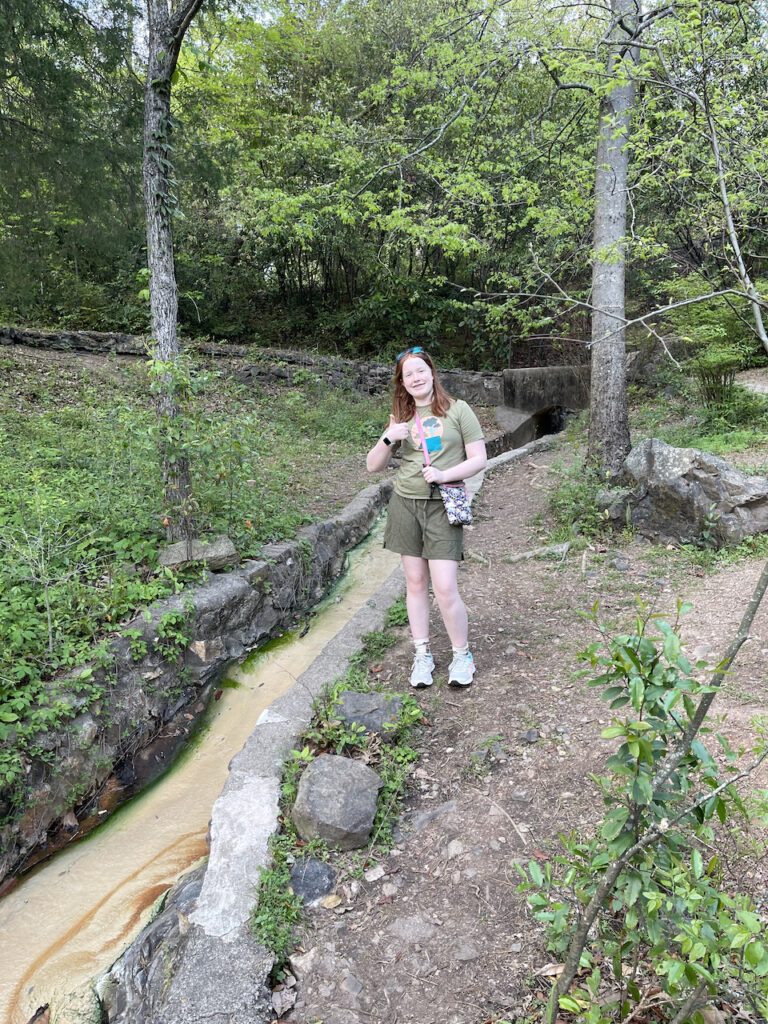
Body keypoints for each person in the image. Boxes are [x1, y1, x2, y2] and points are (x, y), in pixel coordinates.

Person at [366, 347, 487, 689]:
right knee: (416, 584)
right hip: (406, 504)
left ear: (432, 373)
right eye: (409, 375)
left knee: (446, 587)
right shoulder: (400, 416)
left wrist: (446, 473)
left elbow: (479, 458)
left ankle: (461, 655)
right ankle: (423, 655)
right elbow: (373, 466)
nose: (416, 378)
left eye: (421, 371)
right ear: (402, 383)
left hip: (443, 504)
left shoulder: (458, 410)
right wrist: (390, 437)